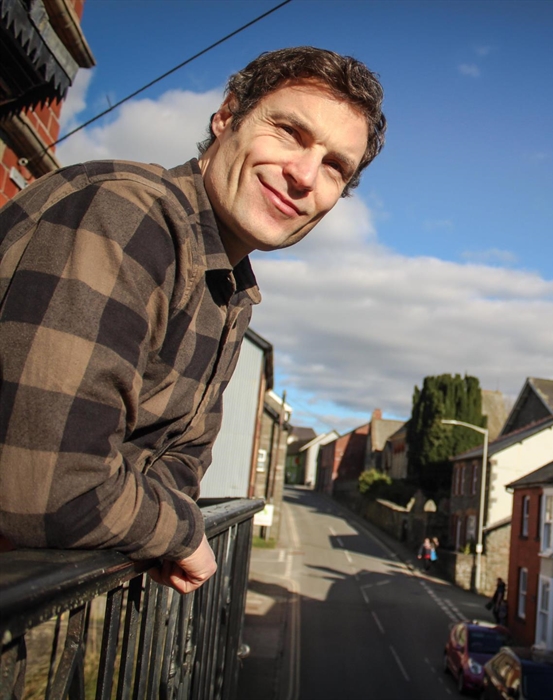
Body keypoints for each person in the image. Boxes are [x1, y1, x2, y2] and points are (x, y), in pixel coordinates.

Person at [0, 46, 387, 595]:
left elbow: (180, 461)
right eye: (289, 132)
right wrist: (179, 534)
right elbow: (49, 486)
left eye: (334, 167)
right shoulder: (131, 215)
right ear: (227, 116)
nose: (304, 175)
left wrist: (151, 516)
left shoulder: (229, 288)